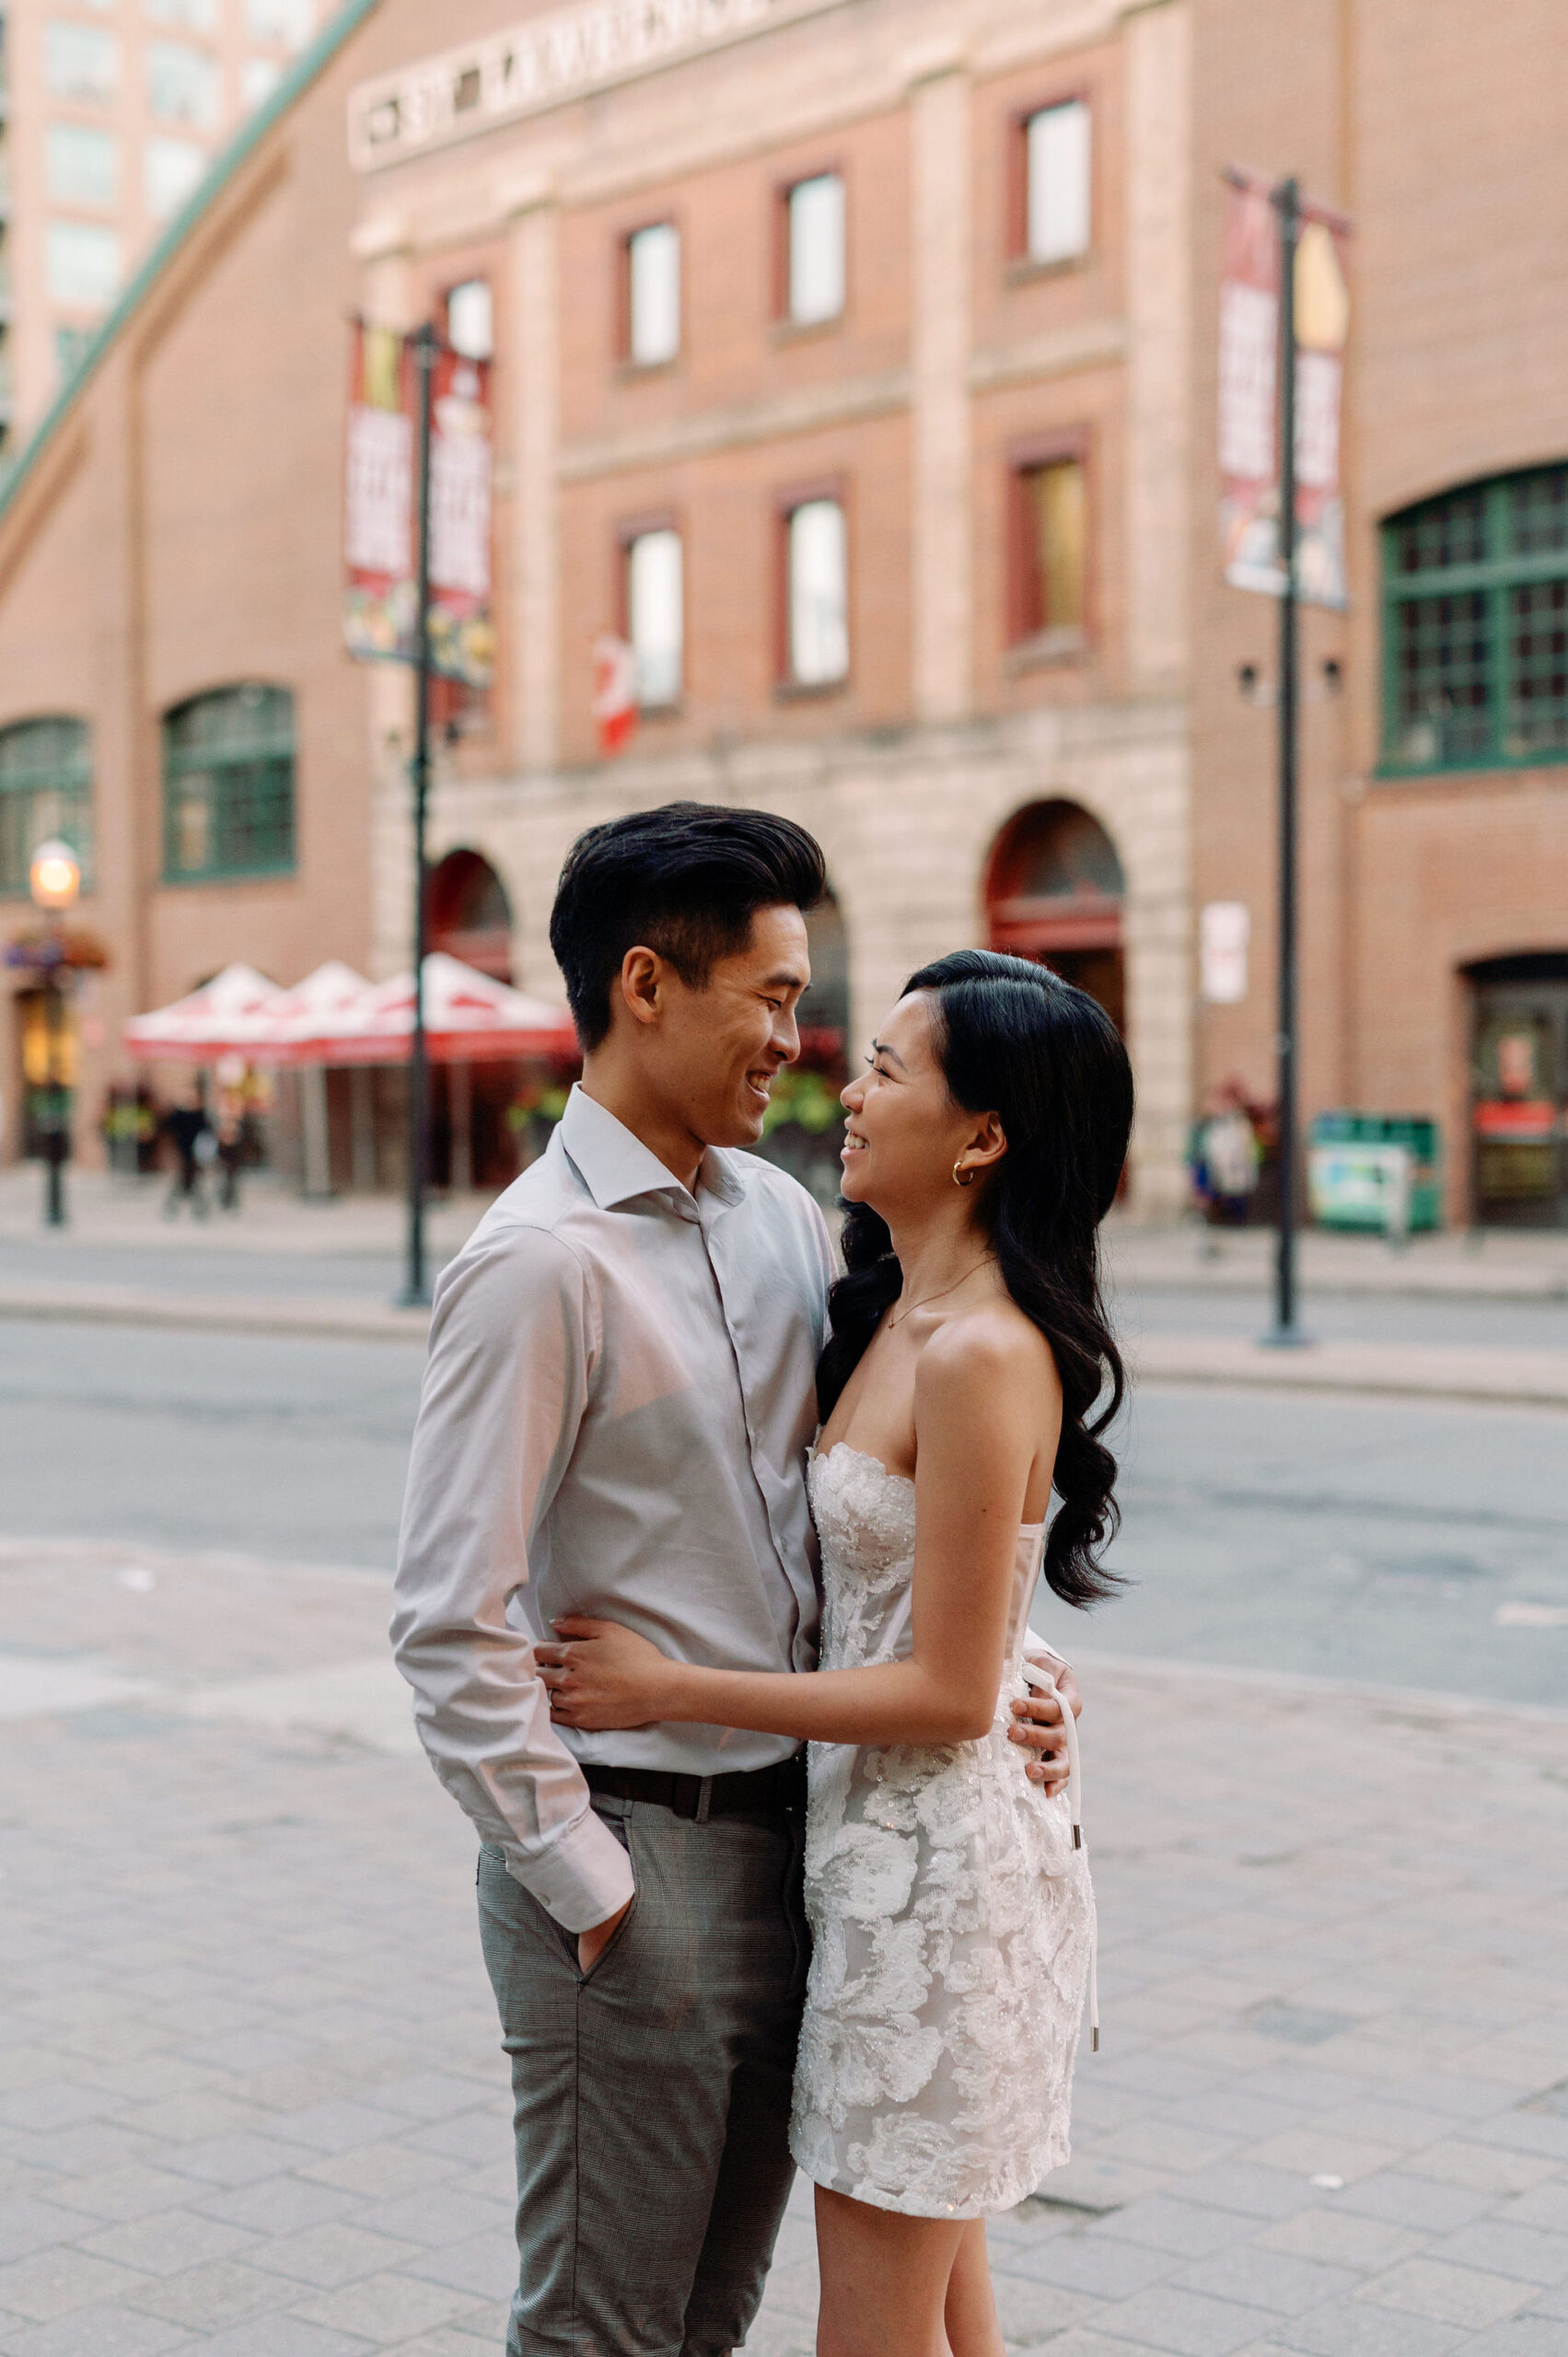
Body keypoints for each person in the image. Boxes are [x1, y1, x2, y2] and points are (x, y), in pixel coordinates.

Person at [390, 807, 1083, 2357]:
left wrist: (1011, 1666)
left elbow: (893, 1516)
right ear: (646, 986)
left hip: (811, 1853)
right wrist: (586, 1890)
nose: (800, 1036)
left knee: (710, 2320)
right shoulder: (536, 1264)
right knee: (602, 2331)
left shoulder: (783, 1221)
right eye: (770, 996)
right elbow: (447, 1620)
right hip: (640, 1861)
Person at [543, 951, 1132, 2357]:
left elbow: (940, 1688)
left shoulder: (980, 1351)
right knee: (947, 2323)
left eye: (885, 1067)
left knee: (867, 2338)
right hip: (873, 1874)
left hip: (936, 1901)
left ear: (981, 1138)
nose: (844, 1086)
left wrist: (665, 1685)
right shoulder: (877, 1302)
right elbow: (954, 1597)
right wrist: (1027, 1670)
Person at [160, 1086, 213, 1218]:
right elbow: (167, 1127)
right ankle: (194, 1208)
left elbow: (208, 1132)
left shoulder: (199, 1115)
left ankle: (181, 1207)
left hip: (193, 1153)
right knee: (188, 1180)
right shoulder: (181, 1115)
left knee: (188, 1180)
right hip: (185, 1152)